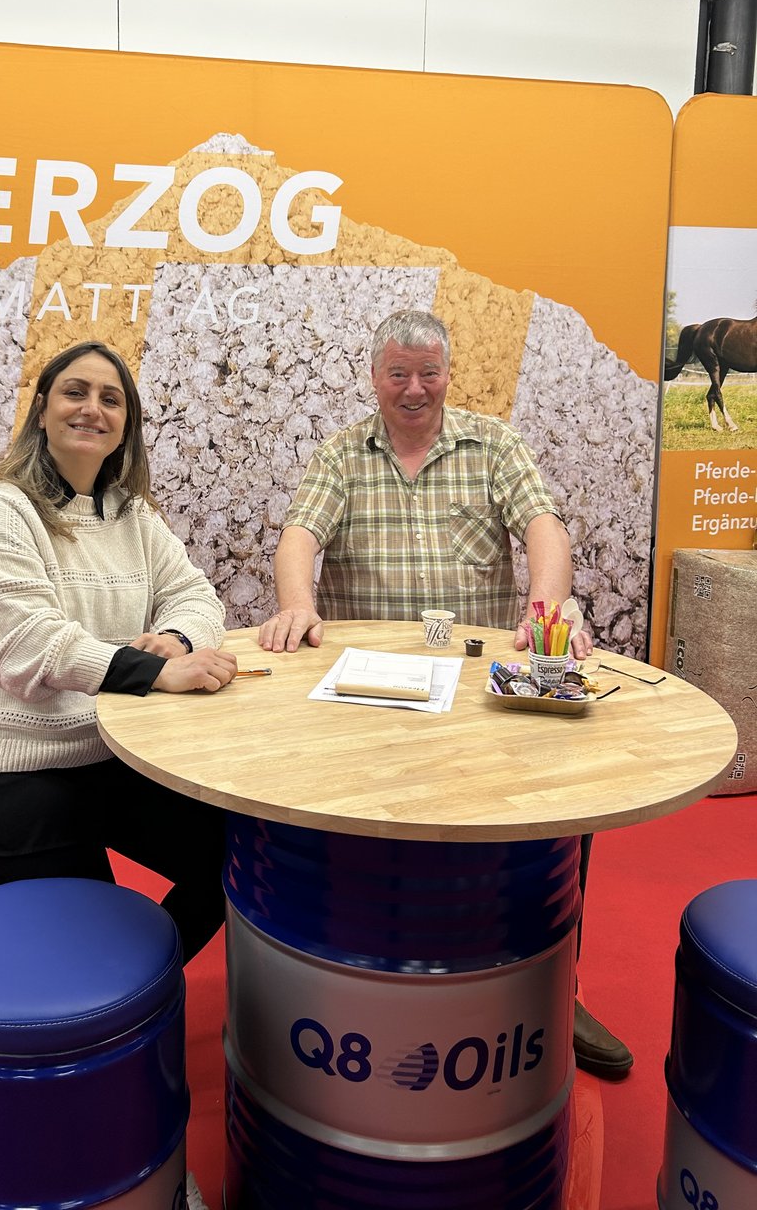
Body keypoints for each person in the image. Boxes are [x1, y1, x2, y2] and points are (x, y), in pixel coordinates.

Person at [257, 308, 632, 1079]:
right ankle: (361, 988)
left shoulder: (492, 444)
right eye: (399, 373)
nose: (414, 389)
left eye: (428, 373)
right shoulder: (341, 454)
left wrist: (548, 606)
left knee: (558, 807)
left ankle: (554, 990)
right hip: (368, 694)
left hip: (477, 688)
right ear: (375, 377)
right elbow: (299, 537)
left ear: (448, 375)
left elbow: (544, 526)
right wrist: (297, 604)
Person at [0, 340, 237, 964]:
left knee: (245, 862)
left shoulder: (132, 515)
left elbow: (195, 596)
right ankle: (121, 983)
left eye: (111, 399)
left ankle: (142, 978)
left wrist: (176, 639)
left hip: (103, 754)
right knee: (99, 945)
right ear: (41, 411)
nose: (92, 409)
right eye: (75, 392)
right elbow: (23, 646)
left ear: (126, 426)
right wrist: (154, 671)